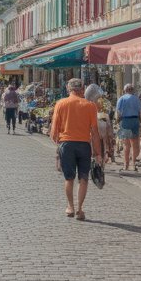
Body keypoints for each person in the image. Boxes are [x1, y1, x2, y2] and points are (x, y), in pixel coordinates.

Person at [50, 77, 103, 221]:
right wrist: (98, 153)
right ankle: (80, 209)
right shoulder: (90, 106)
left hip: (66, 144)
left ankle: (70, 207)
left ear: (69, 89)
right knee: (83, 178)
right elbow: (95, 132)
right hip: (84, 145)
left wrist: (58, 145)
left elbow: (54, 131)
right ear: (82, 89)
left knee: (69, 178)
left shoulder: (61, 104)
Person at [115, 84, 141, 172]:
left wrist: (117, 121)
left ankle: (125, 165)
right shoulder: (137, 99)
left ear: (125, 90)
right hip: (135, 121)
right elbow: (140, 112)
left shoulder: (121, 99)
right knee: (135, 144)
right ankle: (133, 164)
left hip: (125, 121)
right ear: (132, 90)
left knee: (126, 144)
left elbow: (118, 112)